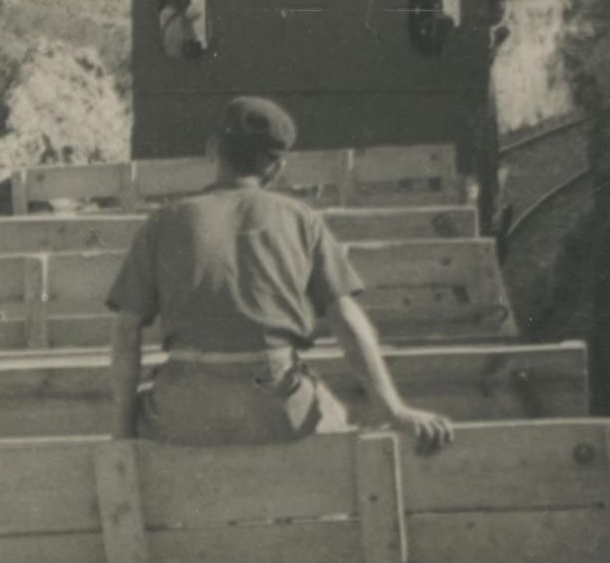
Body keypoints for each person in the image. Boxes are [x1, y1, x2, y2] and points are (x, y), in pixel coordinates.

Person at [105, 96, 455, 453]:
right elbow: (347, 319)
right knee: (338, 425)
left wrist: (121, 434)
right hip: (276, 406)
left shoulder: (164, 222)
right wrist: (394, 410)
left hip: (185, 409)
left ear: (213, 150)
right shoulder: (302, 220)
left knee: (152, 414)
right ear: (276, 167)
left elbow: (126, 330)